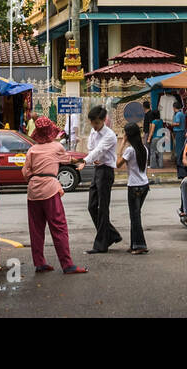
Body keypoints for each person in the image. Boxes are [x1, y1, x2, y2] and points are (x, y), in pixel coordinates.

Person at [21, 117, 87, 274]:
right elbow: (67, 159)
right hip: (50, 188)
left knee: (36, 229)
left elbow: (25, 172)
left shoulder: (32, 150)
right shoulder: (56, 147)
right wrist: (82, 160)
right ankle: (67, 264)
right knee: (59, 226)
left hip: (33, 190)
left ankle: (39, 263)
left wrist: (34, 178)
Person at [84, 106, 122, 254]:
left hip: (106, 171)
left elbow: (99, 150)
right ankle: (112, 234)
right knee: (92, 206)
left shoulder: (110, 135)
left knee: (103, 208)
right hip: (98, 169)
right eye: (92, 123)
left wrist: (86, 160)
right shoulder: (94, 131)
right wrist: (92, 158)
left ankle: (101, 244)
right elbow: (91, 147)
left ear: (103, 120)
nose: (94, 126)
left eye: (97, 123)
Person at [117, 123, 151, 254]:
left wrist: (121, 145)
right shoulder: (144, 148)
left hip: (134, 186)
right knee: (135, 215)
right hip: (144, 185)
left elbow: (118, 164)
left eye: (125, 133)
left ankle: (140, 245)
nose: (124, 135)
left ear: (128, 135)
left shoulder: (130, 150)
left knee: (135, 216)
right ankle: (134, 244)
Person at [172, 101, 187, 179]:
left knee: (179, 149)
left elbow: (177, 123)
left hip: (178, 132)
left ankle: (179, 164)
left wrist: (171, 124)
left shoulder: (178, 114)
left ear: (174, 107)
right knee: (181, 148)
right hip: (182, 132)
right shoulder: (182, 114)